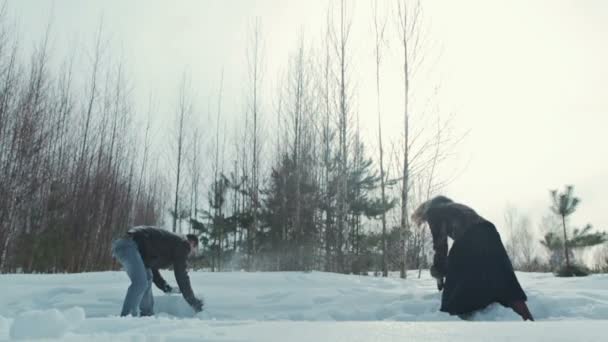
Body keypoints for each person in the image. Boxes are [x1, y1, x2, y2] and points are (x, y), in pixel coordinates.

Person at [412, 196, 534, 321]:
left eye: (423, 220)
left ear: (423, 212)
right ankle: (527, 319)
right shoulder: (454, 207)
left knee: (456, 282)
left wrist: (439, 270)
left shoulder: (434, 211)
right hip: (490, 233)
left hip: (470, 237)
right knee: (504, 278)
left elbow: (440, 245)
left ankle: (456, 320)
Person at [111, 226, 203, 317]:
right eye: (193, 250)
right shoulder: (184, 244)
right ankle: (127, 317)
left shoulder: (170, 244)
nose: (190, 253)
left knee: (148, 277)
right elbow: (181, 274)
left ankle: (147, 315)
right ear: (192, 243)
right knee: (140, 283)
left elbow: (153, 270)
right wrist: (193, 301)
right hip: (129, 245)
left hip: (130, 247)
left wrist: (166, 287)